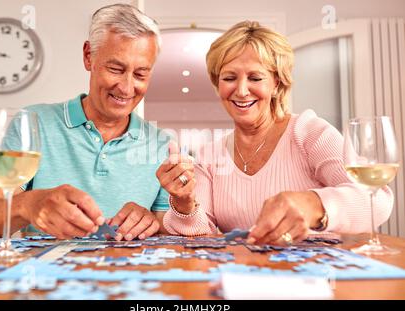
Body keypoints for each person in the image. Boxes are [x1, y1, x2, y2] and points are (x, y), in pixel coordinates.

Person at [156, 21, 394, 245]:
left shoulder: (309, 133)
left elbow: (377, 201)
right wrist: (183, 201)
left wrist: (314, 204)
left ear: (277, 83)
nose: (240, 91)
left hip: (313, 279)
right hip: (239, 279)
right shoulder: (209, 156)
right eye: (229, 78)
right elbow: (199, 231)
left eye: (255, 77)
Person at [0, 4, 170, 241]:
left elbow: (169, 231)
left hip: (130, 276)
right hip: (45, 276)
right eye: (115, 68)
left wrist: (150, 220)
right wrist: (28, 204)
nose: (127, 87)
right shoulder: (33, 124)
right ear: (88, 56)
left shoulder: (161, 143)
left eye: (141, 74)